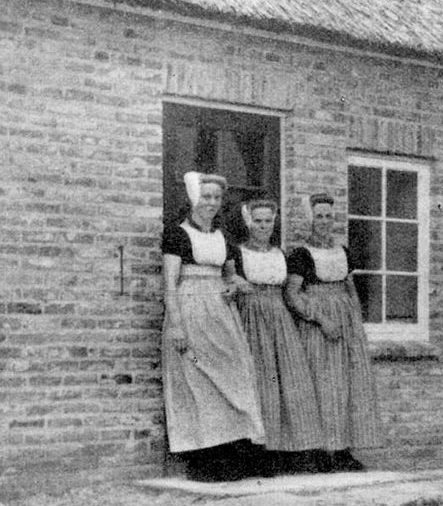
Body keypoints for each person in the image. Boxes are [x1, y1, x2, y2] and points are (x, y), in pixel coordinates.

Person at [161, 171, 266, 481]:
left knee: (233, 376)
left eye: (217, 198)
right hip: (190, 310)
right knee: (196, 381)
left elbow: (234, 277)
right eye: (206, 196)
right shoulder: (177, 234)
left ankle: (232, 451)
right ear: (194, 197)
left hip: (221, 314)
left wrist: (235, 285)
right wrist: (176, 326)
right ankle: (204, 458)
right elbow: (169, 285)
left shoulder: (224, 237)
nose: (211, 203)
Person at [284, 193, 381, 471]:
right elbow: (292, 294)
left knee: (347, 386)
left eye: (328, 216)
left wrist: (356, 324)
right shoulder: (301, 255)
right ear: (310, 220)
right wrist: (321, 319)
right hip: (318, 326)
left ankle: (342, 450)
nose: (324, 222)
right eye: (319, 216)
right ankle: (320, 452)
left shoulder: (343, 252)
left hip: (345, 326)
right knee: (322, 384)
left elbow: (350, 288)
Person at [231, 199, 325, 473]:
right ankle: (255, 454)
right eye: (258, 221)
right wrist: (238, 283)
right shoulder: (237, 253)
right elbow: (227, 281)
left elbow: (290, 291)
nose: (263, 227)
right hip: (251, 316)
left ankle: (286, 452)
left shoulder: (281, 254)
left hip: (280, 319)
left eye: (268, 221)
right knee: (259, 382)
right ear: (249, 222)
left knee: (289, 381)